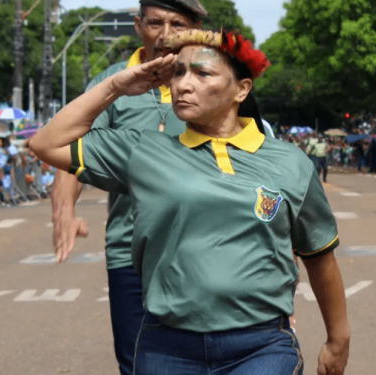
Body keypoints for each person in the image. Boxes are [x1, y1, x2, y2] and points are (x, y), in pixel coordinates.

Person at [30, 29, 349, 375]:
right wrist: (116, 87)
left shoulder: (290, 163)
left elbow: (320, 256)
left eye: (202, 73)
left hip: (261, 347)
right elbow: (46, 143)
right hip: (166, 347)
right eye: (178, 72)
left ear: (241, 89)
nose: (183, 84)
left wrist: (338, 339)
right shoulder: (143, 150)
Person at [48, 1, 206, 374]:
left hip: (205, 252)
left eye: (178, 24)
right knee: (138, 366)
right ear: (138, 26)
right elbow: (70, 147)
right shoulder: (112, 84)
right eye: (154, 23)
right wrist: (65, 211)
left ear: (196, 27)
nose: (166, 35)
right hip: (131, 254)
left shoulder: (213, 79)